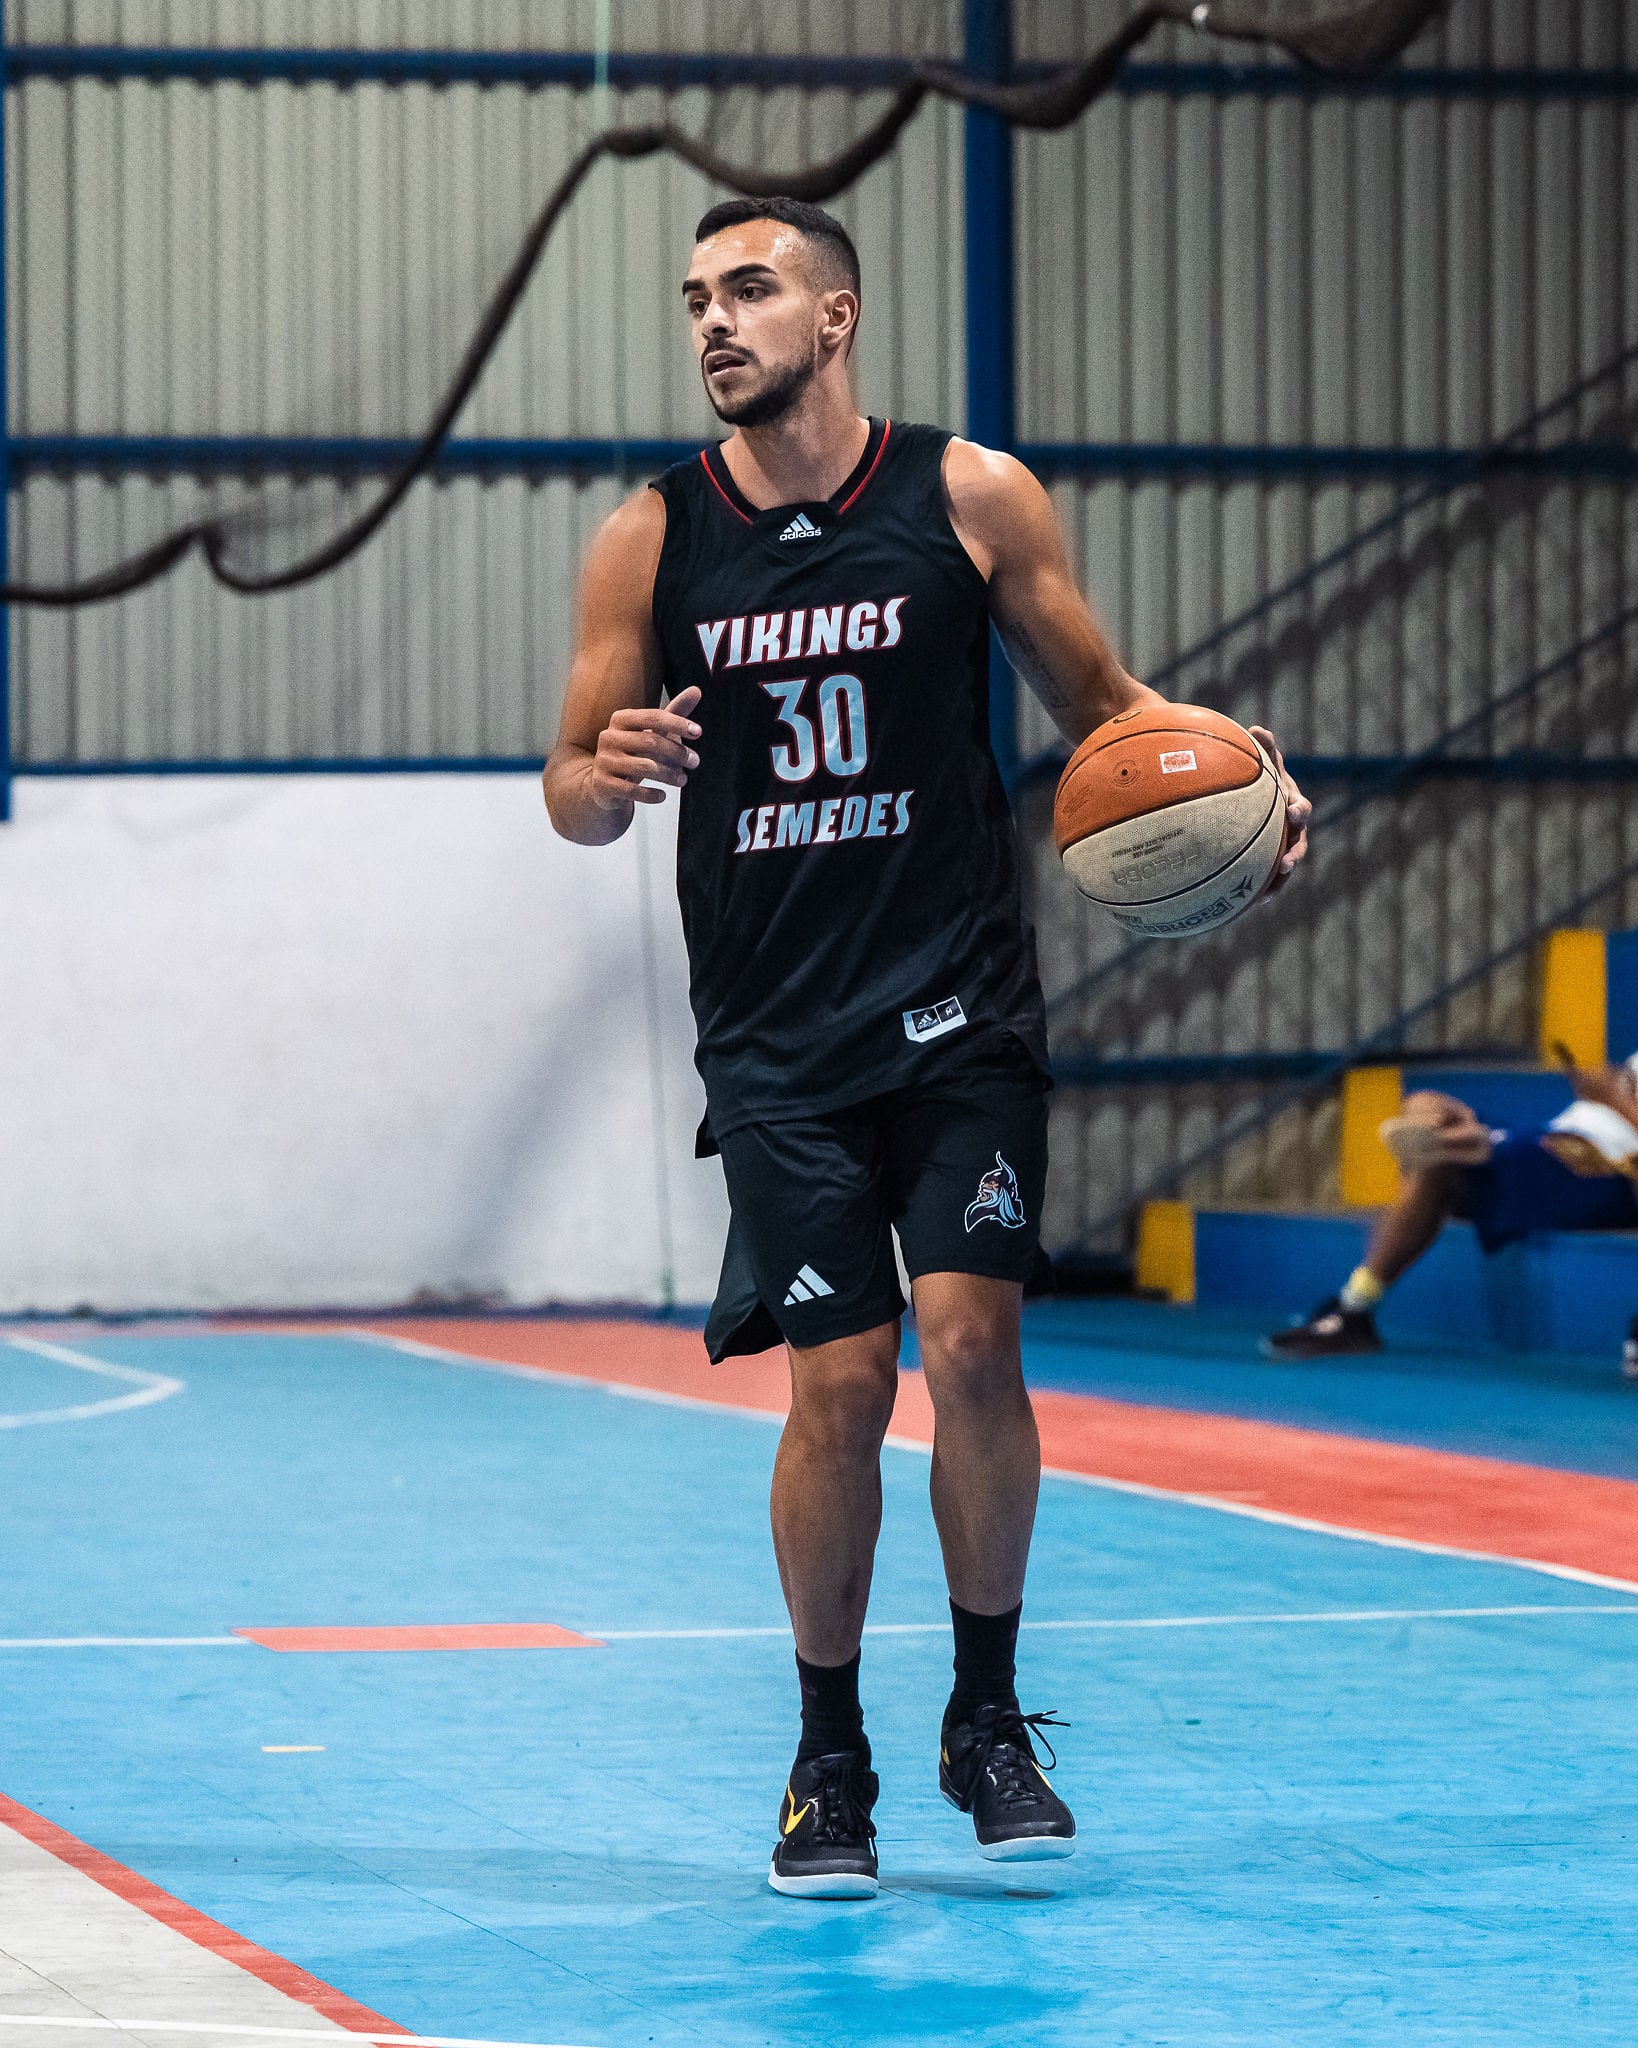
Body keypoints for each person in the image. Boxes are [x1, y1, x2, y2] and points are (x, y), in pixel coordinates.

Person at [543, 196, 1311, 1898]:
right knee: (839, 1380)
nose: (712, 321)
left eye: (746, 289)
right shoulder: (649, 537)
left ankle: (985, 1713)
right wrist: (611, 770)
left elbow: (1107, 708)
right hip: (773, 1034)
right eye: (693, 299)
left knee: (970, 1346)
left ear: (835, 317)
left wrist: (1244, 787)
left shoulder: (966, 494)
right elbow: (572, 795)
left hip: (958, 1002)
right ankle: (829, 1755)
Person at [1265, 1054, 1638, 1362]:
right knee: (1427, 1103)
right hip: (1547, 1139)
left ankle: (1352, 1309)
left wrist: (1612, 1098)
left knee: (1440, 1161)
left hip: (1596, 1165)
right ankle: (1459, 1141)